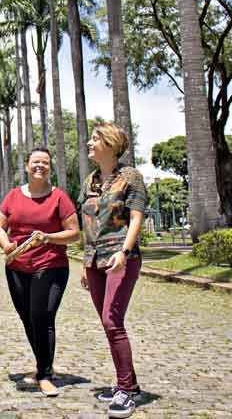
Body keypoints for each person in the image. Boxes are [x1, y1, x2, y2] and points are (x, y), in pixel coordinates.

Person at [0, 147, 81, 397]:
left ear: (50, 168)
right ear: (27, 166)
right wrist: (5, 243)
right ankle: (43, 365)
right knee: (28, 318)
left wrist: (48, 237)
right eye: (35, 162)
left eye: (45, 162)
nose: (40, 166)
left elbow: (74, 233)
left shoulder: (59, 197)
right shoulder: (12, 196)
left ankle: (44, 374)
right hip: (16, 266)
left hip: (50, 264)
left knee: (42, 316)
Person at [77, 123, 147, 419]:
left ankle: (126, 389)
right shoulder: (90, 181)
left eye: (95, 139)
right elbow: (87, 223)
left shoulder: (130, 177)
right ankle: (128, 384)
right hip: (94, 260)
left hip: (120, 258)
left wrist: (125, 251)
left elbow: (136, 216)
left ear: (110, 143)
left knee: (112, 320)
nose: (90, 143)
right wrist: (84, 260)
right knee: (108, 323)